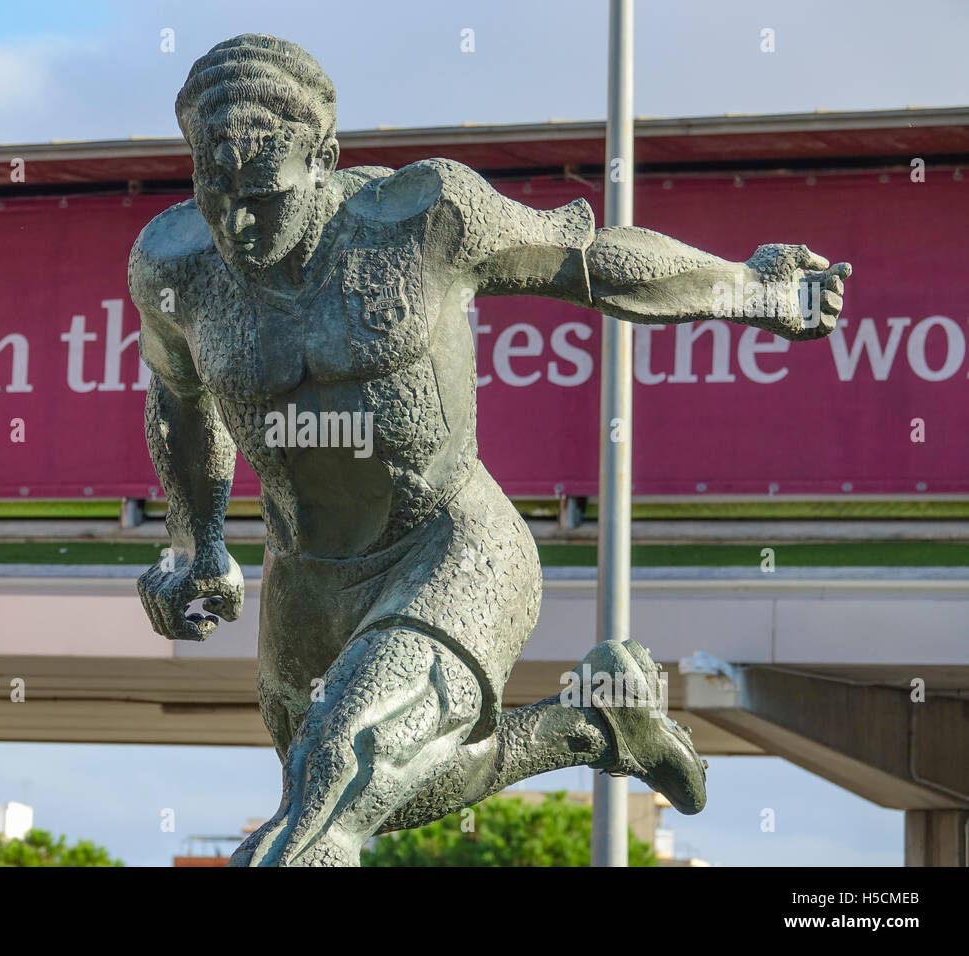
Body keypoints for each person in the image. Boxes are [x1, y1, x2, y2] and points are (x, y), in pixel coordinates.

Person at [129, 34, 851, 866]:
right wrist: (197, 541)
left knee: (335, 780)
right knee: (367, 789)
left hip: (451, 546)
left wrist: (747, 287)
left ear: (323, 159)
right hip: (308, 572)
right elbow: (178, 401)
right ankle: (589, 725)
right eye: (213, 192)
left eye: (262, 194)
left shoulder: (426, 216)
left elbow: (593, 262)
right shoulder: (173, 264)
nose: (236, 223)